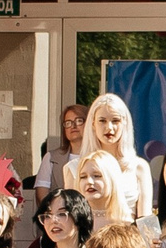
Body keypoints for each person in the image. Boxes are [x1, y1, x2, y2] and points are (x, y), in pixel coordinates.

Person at [63, 93, 159, 221]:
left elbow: (146, 219)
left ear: (124, 123)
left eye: (115, 121)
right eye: (102, 121)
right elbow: (71, 219)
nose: (109, 127)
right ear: (93, 124)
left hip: (128, 233)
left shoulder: (138, 167)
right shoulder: (74, 168)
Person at [74, 151, 143, 243]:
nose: (89, 181)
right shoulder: (72, 221)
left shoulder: (127, 223)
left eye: (97, 176)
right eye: (83, 177)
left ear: (112, 179)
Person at [38, 103, 90, 215]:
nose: (73, 126)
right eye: (68, 123)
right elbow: (42, 192)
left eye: (79, 121)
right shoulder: (51, 157)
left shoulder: (100, 158)